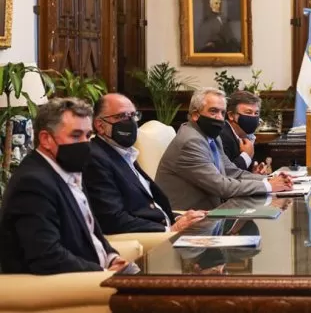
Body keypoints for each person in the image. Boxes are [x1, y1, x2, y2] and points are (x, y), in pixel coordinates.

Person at [0, 98, 133, 274]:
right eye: (76, 135)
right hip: (63, 288)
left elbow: (91, 232)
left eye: (88, 135)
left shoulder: (69, 169)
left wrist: (112, 258)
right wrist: (103, 272)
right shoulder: (33, 183)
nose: (85, 143)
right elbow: (47, 257)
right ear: (46, 139)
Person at [83, 93, 207, 234]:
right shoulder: (95, 158)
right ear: (100, 125)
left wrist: (178, 218)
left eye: (133, 115)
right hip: (150, 240)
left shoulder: (125, 154)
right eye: (122, 116)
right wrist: (170, 230)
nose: (130, 122)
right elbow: (112, 218)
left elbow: (146, 207)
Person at [156, 88, 292, 210]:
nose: (220, 118)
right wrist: (268, 187)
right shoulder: (191, 141)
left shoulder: (212, 137)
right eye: (213, 111)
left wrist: (270, 179)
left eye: (222, 112)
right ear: (195, 115)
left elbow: (231, 172)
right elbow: (222, 186)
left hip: (211, 213)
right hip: (186, 218)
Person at [220, 90, 268, 173]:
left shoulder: (247, 135)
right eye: (248, 112)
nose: (253, 117)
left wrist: (253, 172)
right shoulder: (222, 136)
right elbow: (227, 175)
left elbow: (244, 174)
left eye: (256, 113)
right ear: (231, 115)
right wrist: (246, 155)